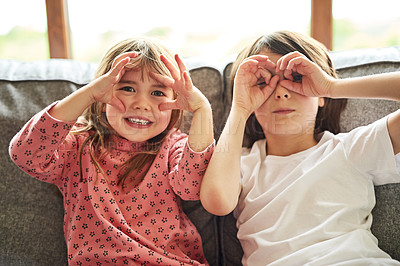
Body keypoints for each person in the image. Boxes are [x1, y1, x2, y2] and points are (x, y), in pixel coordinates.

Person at [200, 31, 400, 265]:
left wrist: (331, 86)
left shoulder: (350, 149)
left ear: (321, 97)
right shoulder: (242, 163)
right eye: (264, 82)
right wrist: (241, 107)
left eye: (295, 78)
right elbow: (216, 202)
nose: (282, 93)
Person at [9, 37, 214, 265]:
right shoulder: (78, 144)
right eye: (128, 88)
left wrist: (202, 109)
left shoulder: (174, 145)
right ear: (102, 92)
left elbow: (191, 187)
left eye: (157, 93)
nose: (142, 104)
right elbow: (25, 154)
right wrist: (88, 95)